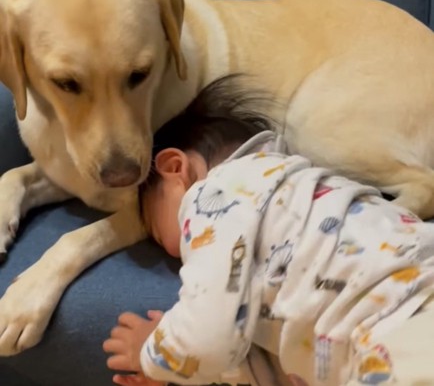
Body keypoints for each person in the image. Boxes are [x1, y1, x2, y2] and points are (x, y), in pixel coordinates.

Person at [103, 75, 434, 386]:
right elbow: (260, 355)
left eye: (159, 234)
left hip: (399, 320)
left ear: (174, 168)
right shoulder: (300, 199)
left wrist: (154, 350)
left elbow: (209, 336)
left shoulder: (217, 192)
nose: (170, 251)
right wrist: (177, 374)